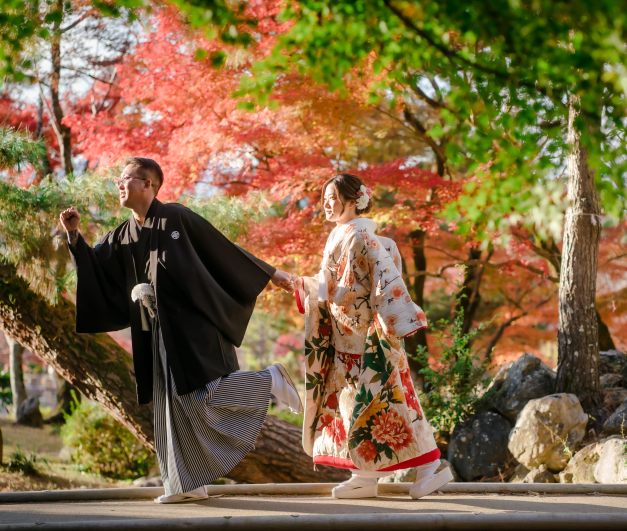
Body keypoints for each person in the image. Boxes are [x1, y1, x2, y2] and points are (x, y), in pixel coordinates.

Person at [59, 157, 302, 504]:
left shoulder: (174, 216)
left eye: (126, 179)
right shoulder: (123, 234)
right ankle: (186, 484)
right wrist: (74, 236)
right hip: (155, 330)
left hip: (194, 323)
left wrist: (271, 273)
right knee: (169, 405)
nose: (119, 185)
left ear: (148, 185)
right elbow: (96, 269)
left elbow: (219, 247)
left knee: (203, 395)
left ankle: (269, 381)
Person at [293, 173, 453, 499]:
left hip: (370, 339)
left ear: (353, 201)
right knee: (358, 407)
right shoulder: (343, 235)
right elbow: (329, 286)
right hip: (348, 339)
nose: (326, 203)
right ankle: (364, 474)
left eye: (333, 197)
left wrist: (306, 286)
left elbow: (349, 291)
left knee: (394, 405)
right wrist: (306, 286)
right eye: (324, 197)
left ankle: (431, 466)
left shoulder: (363, 239)